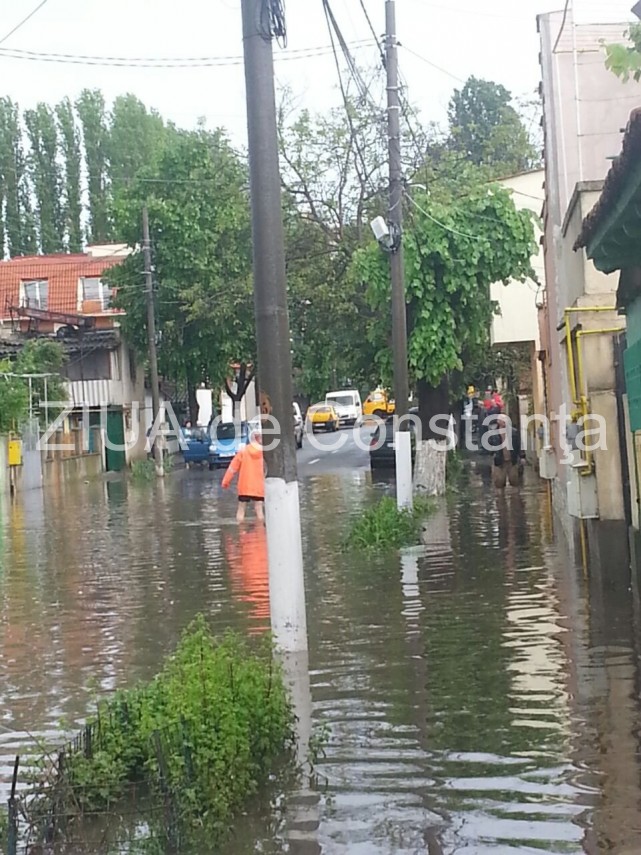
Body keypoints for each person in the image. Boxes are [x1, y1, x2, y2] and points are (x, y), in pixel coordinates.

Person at [221, 429, 265, 523]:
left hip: (244, 486)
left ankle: (241, 530)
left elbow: (232, 468)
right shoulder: (264, 453)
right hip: (258, 486)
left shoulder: (243, 451)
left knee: (241, 509)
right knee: (259, 510)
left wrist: (225, 482)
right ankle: (260, 531)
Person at [488, 414, 523, 488]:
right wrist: (492, 453)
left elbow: (519, 444)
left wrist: (522, 456)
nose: (504, 422)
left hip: (512, 460)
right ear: (498, 422)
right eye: (502, 421)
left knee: (514, 481)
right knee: (499, 482)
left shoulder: (513, 432)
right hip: (499, 460)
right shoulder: (493, 433)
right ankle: (500, 498)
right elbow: (489, 444)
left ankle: (515, 498)